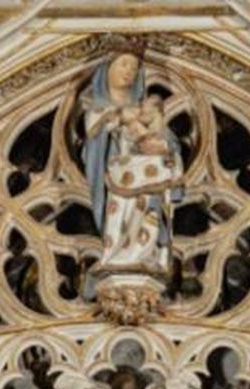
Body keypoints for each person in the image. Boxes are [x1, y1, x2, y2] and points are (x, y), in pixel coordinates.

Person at [79, 51, 184, 294]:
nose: (129, 72)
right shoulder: (97, 108)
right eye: (123, 64)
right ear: (107, 70)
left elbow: (164, 138)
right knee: (120, 213)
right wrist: (117, 117)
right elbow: (95, 134)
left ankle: (145, 253)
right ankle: (117, 252)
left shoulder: (143, 109)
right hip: (117, 179)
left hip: (142, 176)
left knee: (146, 210)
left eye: (134, 68)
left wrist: (163, 144)